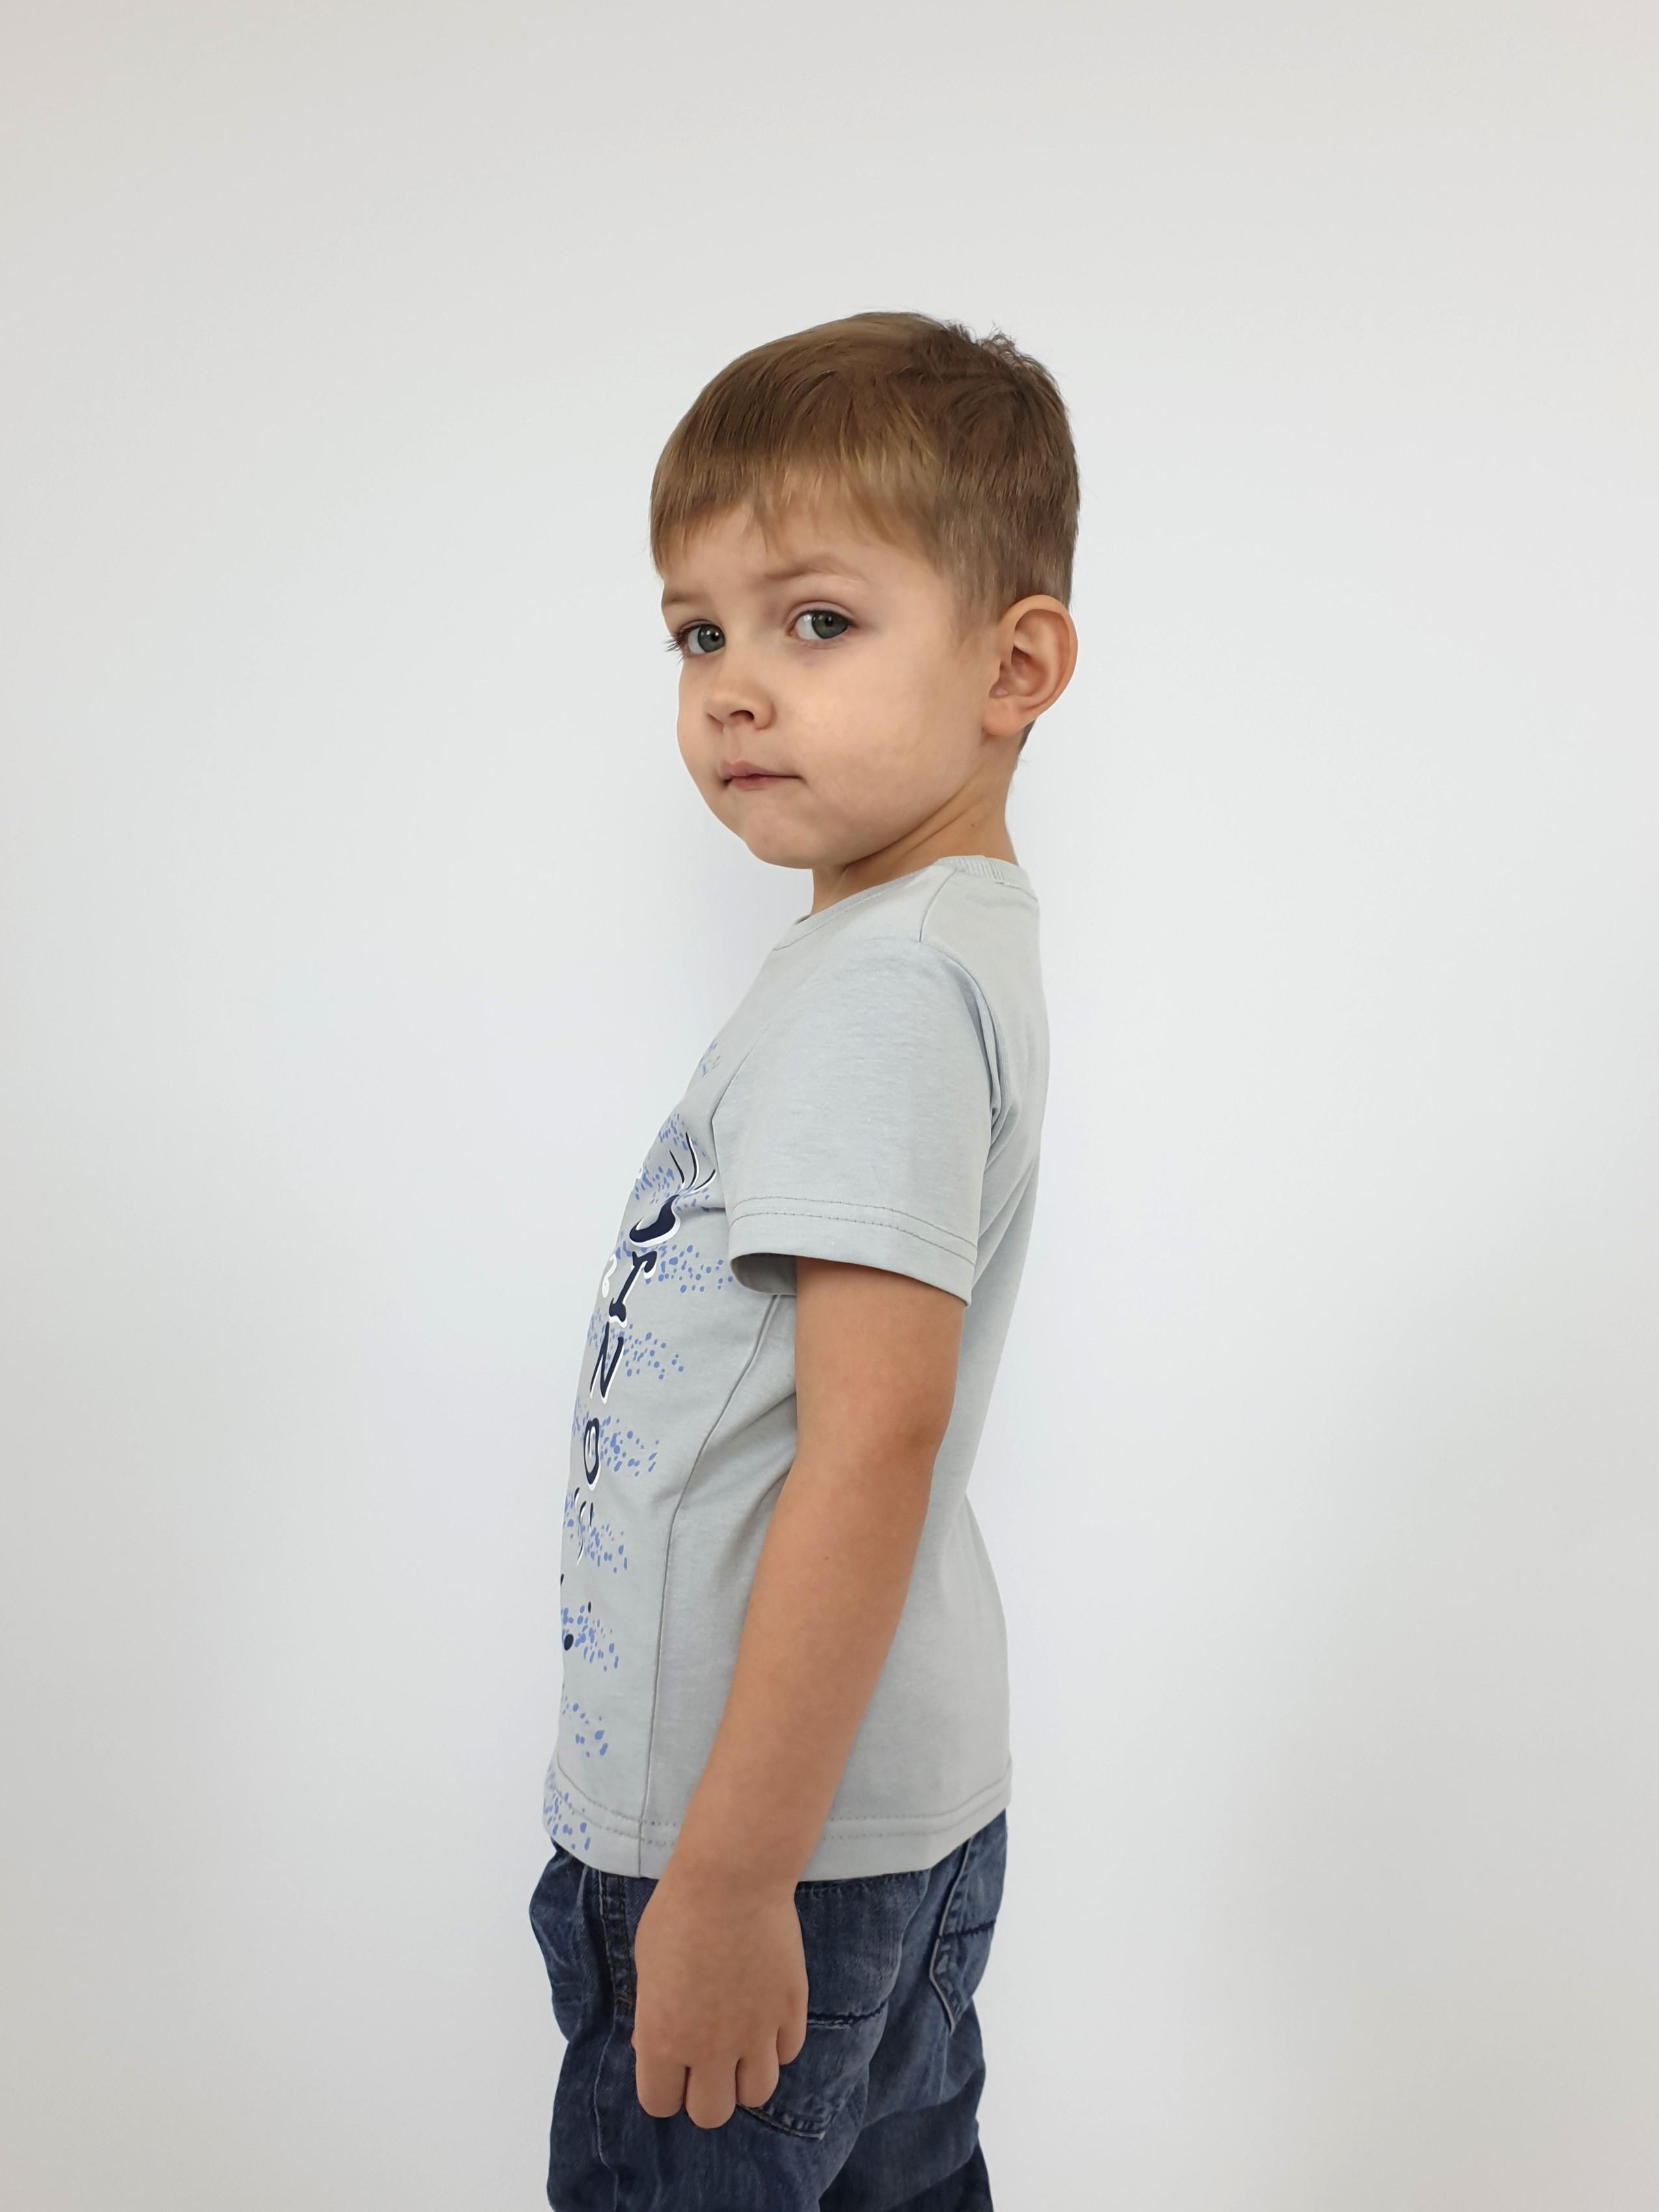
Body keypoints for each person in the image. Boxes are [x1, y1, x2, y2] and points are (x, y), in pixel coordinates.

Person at [527, 308, 1079, 2210]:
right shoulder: (924, 949)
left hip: (766, 1853)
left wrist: (731, 1874)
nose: (735, 690)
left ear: (1016, 665)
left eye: (816, 621)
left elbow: (872, 1441)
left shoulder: (883, 994)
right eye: (699, 634)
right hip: (879, 1836)